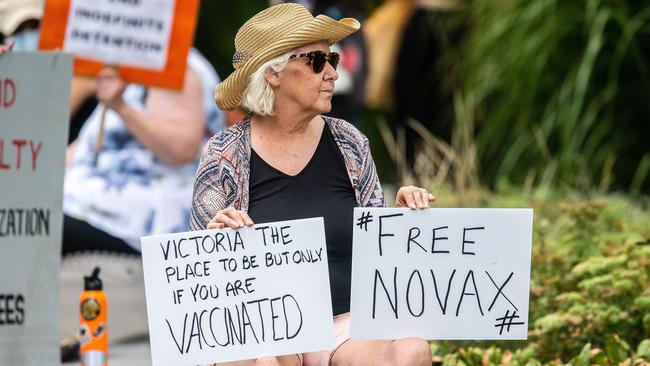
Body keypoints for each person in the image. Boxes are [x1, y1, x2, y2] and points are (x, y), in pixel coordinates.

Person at [190, 4, 434, 366]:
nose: (334, 73)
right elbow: (196, 281)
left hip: (343, 323)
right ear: (273, 73)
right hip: (262, 323)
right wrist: (216, 240)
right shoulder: (224, 153)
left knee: (412, 350)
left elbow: (381, 257)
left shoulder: (350, 142)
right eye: (318, 61)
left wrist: (404, 220)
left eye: (333, 58)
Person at [62, 48, 224, 255]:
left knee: (39, 227)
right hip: (90, 209)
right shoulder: (130, 64)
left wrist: (121, 107)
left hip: (138, 226)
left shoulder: (176, 65)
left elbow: (181, 149)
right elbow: (85, 151)